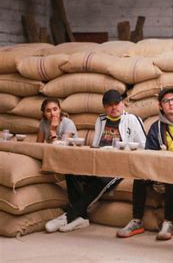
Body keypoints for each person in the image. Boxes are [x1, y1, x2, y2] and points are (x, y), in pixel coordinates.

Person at [45, 90, 147, 233]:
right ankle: (82, 218)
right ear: (104, 107)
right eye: (109, 105)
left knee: (102, 181)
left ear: (123, 103)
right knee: (72, 172)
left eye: (116, 103)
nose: (114, 108)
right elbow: (96, 145)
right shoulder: (101, 120)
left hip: (120, 165)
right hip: (100, 162)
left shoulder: (132, 119)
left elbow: (144, 146)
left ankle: (69, 216)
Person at [117, 87, 173, 241]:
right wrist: (154, 176)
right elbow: (149, 156)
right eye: (166, 101)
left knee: (170, 178)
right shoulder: (156, 127)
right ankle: (137, 220)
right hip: (160, 171)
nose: (171, 103)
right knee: (139, 178)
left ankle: (168, 222)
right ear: (160, 106)